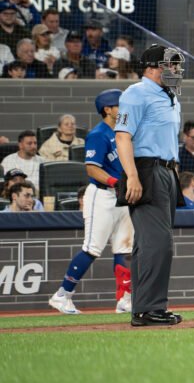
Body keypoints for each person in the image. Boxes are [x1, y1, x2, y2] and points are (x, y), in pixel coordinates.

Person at [115, 44, 186, 327]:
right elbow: (122, 137)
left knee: (151, 245)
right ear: (153, 67)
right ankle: (148, 309)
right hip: (146, 170)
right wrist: (131, 176)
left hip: (168, 171)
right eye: (172, 65)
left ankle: (147, 308)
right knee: (158, 244)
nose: (176, 71)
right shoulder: (135, 94)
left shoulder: (171, 96)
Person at [48, 90, 134, 315]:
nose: (124, 108)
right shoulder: (98, 134)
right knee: (92, 248)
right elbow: (92, 168)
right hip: (102, 195)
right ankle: (62, 295)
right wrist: (114, 181)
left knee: (124, 248)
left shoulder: (124, 130)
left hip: (122, 196)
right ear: (108, 109)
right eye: (119, 105)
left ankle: (124, 299)